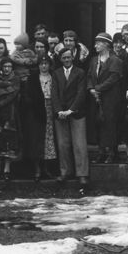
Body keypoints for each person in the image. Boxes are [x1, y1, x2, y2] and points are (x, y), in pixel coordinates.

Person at [51, 49, 90, 192]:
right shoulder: (56, 73)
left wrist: (71, 110)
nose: (67, 60)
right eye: (64, 58)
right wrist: (58, 110)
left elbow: (81, 93)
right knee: (63, 144)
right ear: (60, 59)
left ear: (72, 57)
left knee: (79, 144)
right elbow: (54, 93)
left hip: (76, 112)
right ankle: (65, 171)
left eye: (69, 57)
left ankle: (82, 174)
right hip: (61, 113)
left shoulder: (80, 73)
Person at [88, 32, 125, 163]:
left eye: (98, 43)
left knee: (110, 125)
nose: (95, 45)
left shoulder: (115, 61)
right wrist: (91, 89)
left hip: (110, 99)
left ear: (106, 45)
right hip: (97, 98)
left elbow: (113, 79)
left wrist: (97, 88)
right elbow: (89, 77)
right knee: (98, 124)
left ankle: (112, 153)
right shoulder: (94, 60)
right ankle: (101, 152)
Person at [24, 54, 58, 180]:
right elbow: (27, 96)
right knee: (37, 139)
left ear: (49, 65)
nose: (44, 66)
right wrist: (34, 104)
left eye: (46, 64)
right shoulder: (33, 78)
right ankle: (37, 168)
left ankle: (46, 168)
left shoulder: (54, 77)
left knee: (49, 139)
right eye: (41, 64)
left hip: (51, 110)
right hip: (36, 112)